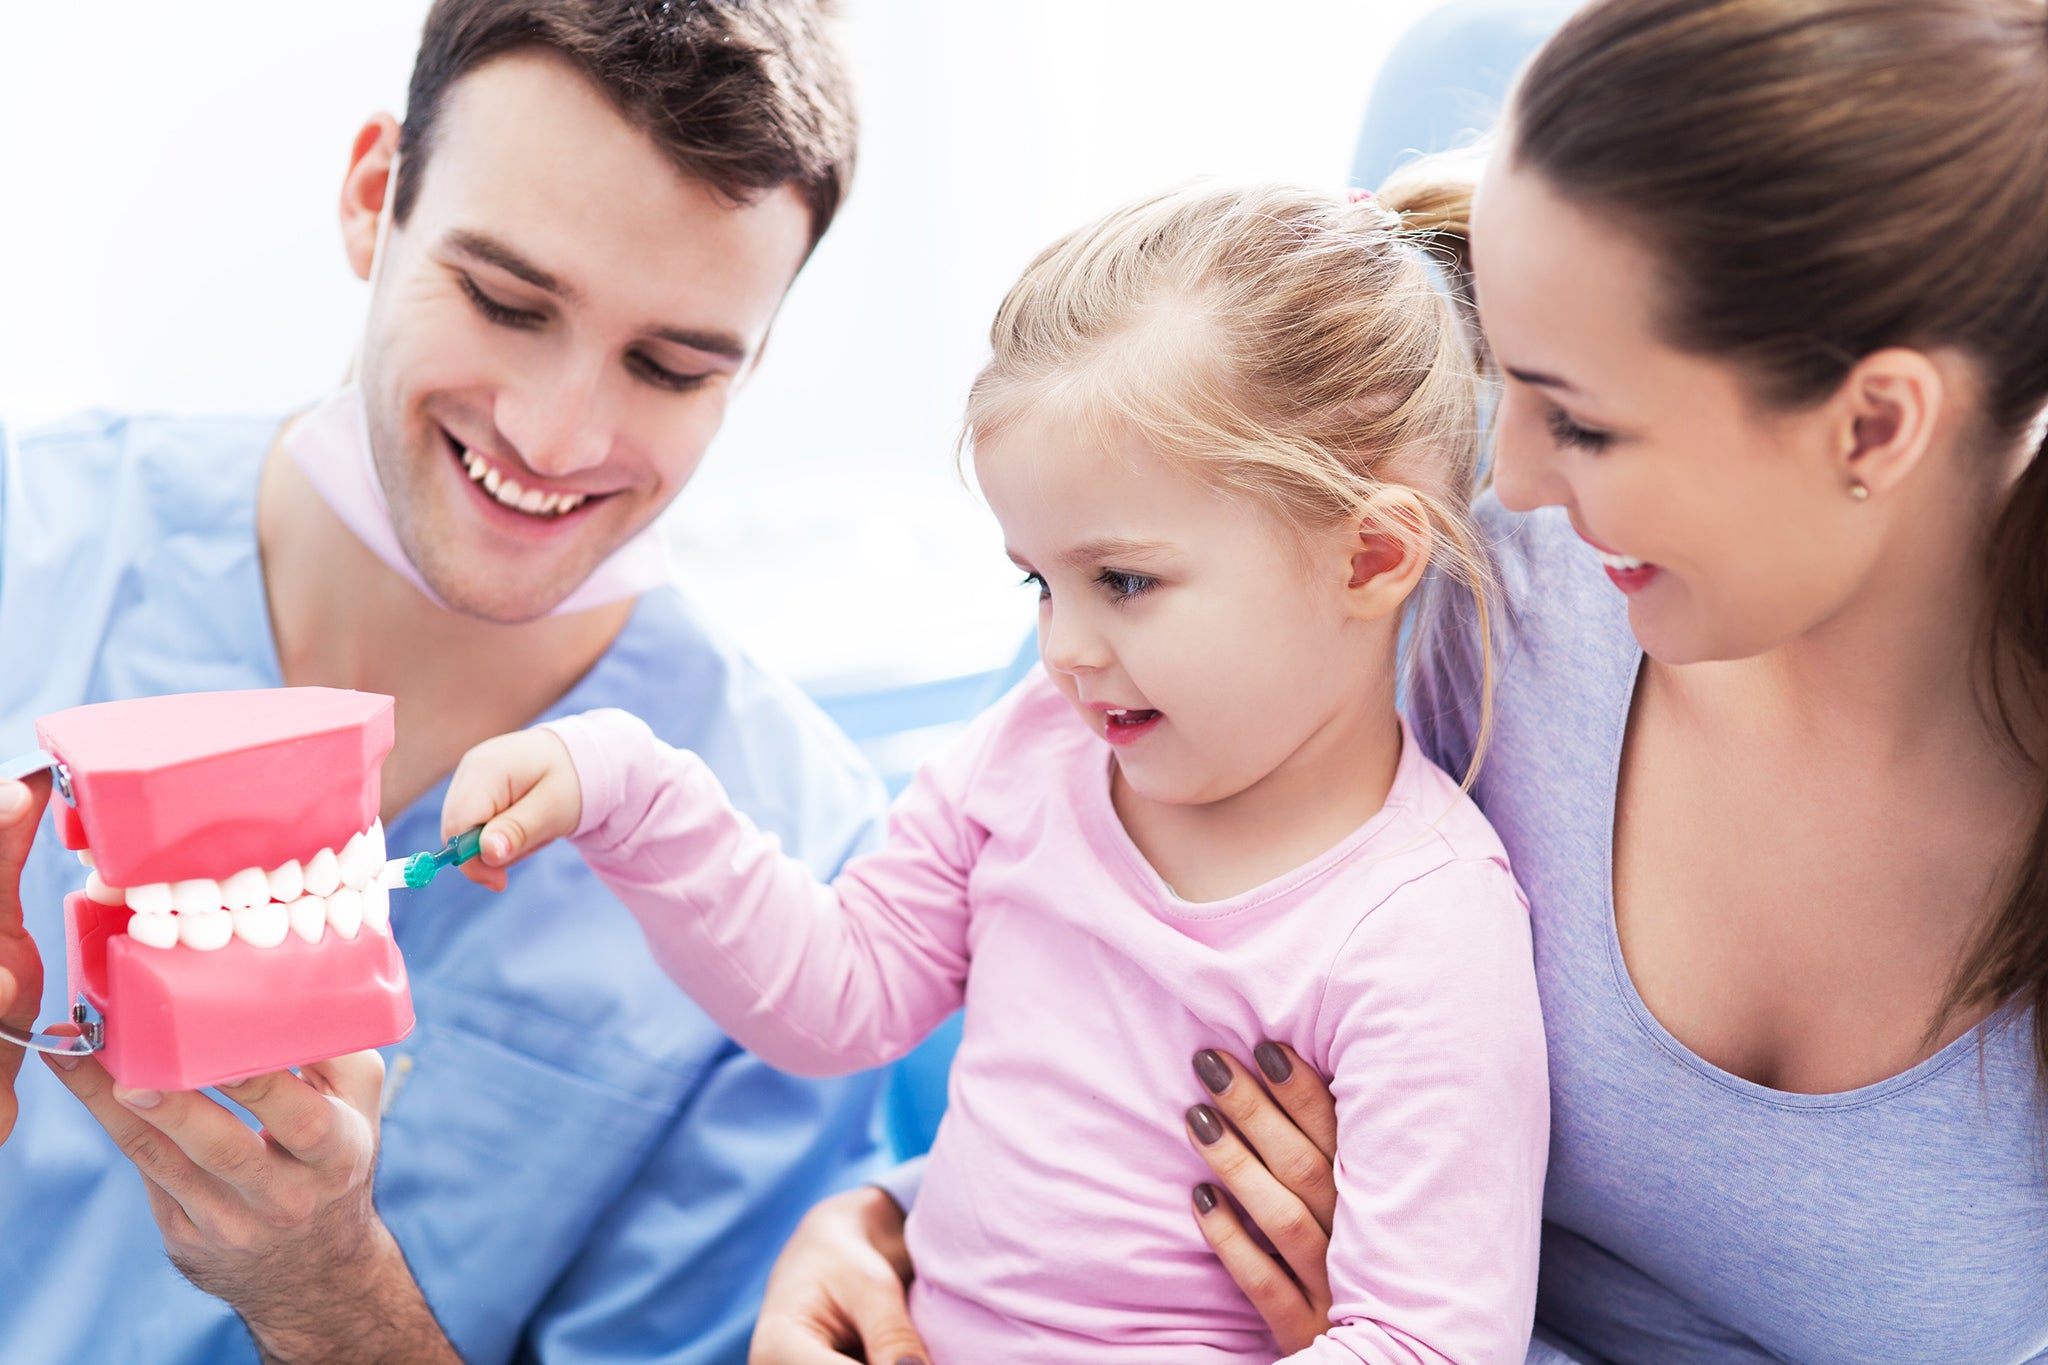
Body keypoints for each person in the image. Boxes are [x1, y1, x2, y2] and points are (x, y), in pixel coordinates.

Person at [757, 0, 2048, 1361]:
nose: (1521, 481)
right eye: (1522, 393)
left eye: (1589, 425)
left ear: (1878, 420)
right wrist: (888, 1228)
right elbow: (1079, 949)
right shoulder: (1457, 586)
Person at [442, 178, 1550, 1364]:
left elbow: (1424, 1344)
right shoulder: (1036, 749)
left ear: (1369, 556)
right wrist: (626, 787)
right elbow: (840, 992)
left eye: (1122, 581)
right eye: (1039, 582)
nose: (1061, 648)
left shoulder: (1421, 933)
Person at [0, 2, 895, 1362]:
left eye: (669, 364)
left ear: (754, 359)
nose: (557, 432)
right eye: (504, 301)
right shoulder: (30, 541)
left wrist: (329, 1293)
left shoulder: (807, 890)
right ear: (375, 201)